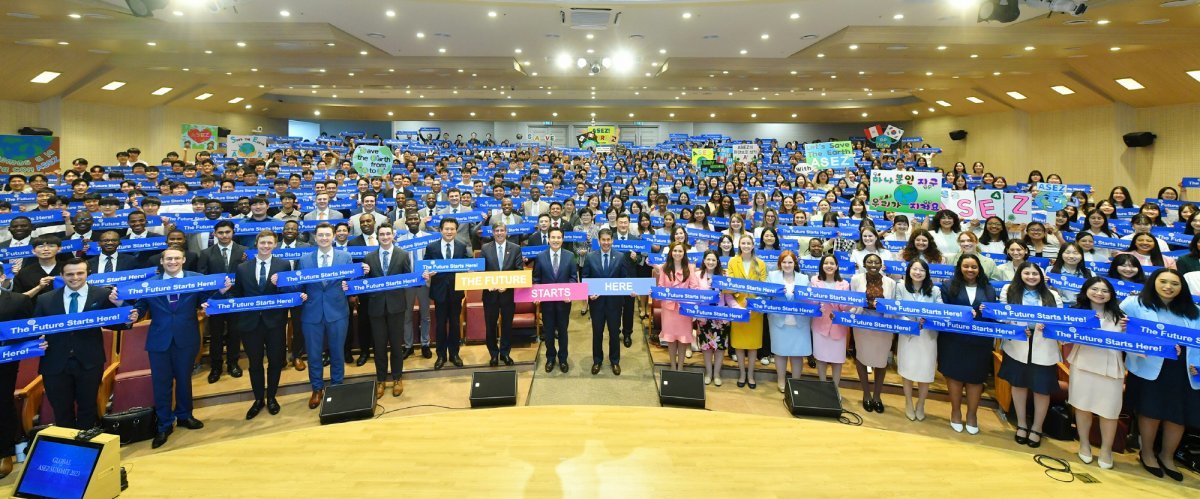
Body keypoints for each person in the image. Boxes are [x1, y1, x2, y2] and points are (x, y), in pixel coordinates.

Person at [121, 246, 213, 449]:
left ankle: (185, 416)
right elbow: (141, 306)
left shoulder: (195, 279)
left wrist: (210, 303)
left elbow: (205, 301)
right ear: (161, 262)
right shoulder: (149, 284)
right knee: (161, 384)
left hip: (186, 338)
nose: (173, 262)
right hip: (159, 340)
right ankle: (164, 424)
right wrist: (135, 312)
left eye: (177, 258)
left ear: (184, 260)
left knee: (184, 380)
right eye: (169, 259)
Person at [1119, 268, 1200, 482]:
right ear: (1153, 282)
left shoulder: (1195, 311)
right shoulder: (1134, 304)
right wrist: (1124, 328)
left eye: (1174, 283)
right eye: (1163, 281)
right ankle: (1146, 454)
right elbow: (1115, 327)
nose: (1168, 287)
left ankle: (1167, 457)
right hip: (1150, 365)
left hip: (1184, 369)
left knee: (1178, 415)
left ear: (1182, 288)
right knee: (1150, 410)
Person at [36, 257, 131, 430]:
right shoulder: (45, 299)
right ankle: (67, 449)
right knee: (61, 410)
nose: (75, 277)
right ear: (62, 275)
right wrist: (37, 341)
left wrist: (121, 307)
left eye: (80, 273)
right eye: (70, 274)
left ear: (88, 273)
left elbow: (120, 323)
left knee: (87, 408)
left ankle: (85, 445)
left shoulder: (102, 295)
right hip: (54, 364)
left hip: (89, 362)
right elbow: (35, 329)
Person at [216, 231, 293, 419]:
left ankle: (272, 397)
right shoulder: (243, 268)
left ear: (275, 244)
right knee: (255, 364)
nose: (266, 246)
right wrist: (224, 293)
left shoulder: (283, 265)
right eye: (262, 242)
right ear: (256, 244)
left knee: (275, 362)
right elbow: (239, 294)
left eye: (270, 243)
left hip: (274, 322)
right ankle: (258, 399)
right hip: (250, 324)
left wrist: (282, 285)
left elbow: (289, 291)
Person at [994, 261, 1063, 448]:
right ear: (1020, 274)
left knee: (1042, 389)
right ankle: (1022, 424)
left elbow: (1060, 320)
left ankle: (1037, 427)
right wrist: (1017, 323)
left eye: (1035, 273)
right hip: (1018, 344)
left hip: (1044, 346)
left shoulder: (1053, 295)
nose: (1031, 277)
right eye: (1027, 273)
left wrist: (1047, 325)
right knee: (1019, 385)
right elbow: (1002, 315)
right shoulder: (1009, 290)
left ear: (1041, 276)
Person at [1067, 277, 1126, 470]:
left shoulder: (1121, 317)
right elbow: (1061, 335)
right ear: (1086, 290)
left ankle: (1106, 450)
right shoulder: (1076, 313)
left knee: (1109, 411)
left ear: (1111, 295)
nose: (1099, 293)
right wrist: (1046, 328)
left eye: (1105, 290)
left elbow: (1135, 344)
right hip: (1083, 363)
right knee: (1082, 406)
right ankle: (1084, 444)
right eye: (1095, 289)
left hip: (1111, 367)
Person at [938, 254, 999, 434]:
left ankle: (972, 415)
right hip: (953, 340)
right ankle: (955, 412)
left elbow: (994, 315)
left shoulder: (988, 289)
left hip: (980, 342)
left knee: (976, 378)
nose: (970, 270)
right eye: (966, 266)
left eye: (974, 267)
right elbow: (943, 313)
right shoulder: (948, 286)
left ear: (979, 269)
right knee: (954, 377)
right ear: (959, 267)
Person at [296, 223, 354, 410]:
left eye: (327, 235)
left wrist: (352, 284)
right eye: (320, 235)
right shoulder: (304, 259)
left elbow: (352, 281)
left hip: (337, 312)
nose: (324, 238)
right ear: (315, 237)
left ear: (334, 236)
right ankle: (317, 388)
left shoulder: (345, 257)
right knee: (313, 355)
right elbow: (298, 285)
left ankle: (336, 386)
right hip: (312, 313)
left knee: (337, 352)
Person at [359, 223, 411, 398]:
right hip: (376, 308)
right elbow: (364, 283)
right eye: (382, 234)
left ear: (393, 235)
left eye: (388, 234)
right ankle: (381, 379)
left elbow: (408, 279)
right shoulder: (369, 257)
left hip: (397, 306)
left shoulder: (403, 255)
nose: (385, 237)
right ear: (377, 236)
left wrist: (423, 277)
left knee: (396, 345)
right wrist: (363, 273)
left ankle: (397, 378)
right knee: (379, 346)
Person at [196, 220, 247, 383]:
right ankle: (216, 366)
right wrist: (208, 299)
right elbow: (202, 279)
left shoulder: (244, 251)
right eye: (221, 233)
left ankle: (233, 363)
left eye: (227, 232)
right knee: (216, 335)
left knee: (235, 334)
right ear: (215, 234)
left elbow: (247, 276)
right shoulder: (205, 253)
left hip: (236, 299)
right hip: (215, 300)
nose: (224, 235)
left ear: (233, 232)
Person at [894, 260, 941, 421]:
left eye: (922, 270)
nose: (918, 272)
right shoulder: (900, 287)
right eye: (914, 269)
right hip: (908, 335)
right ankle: (908, 402)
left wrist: (927, 319)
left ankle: (921, 404)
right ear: (909, 271)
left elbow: (940, 310)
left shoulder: (934, 290)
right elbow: (896, 310)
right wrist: (910, 322)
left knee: (925, 372)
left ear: (927, 273)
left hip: (928, 336)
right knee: (907, 371)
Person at [849, 253, 896, 413]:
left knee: (881, 360)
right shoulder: (856, 279)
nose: (873, 264)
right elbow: (853, 302)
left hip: (884, 324)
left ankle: (877, 396)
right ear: (864, 263)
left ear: (881, 264)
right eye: (869, 261)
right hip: (863, 322)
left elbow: (893, 305)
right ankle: (866, 394)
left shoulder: (890, 282)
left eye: (876, 262)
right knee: (862, 356)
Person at [582, 228, 631, 375]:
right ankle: (597, 361)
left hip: (615, 304)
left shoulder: (620, 256)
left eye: (608, 240)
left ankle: (615, 361)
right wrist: (589, 293)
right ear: (599, 241)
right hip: (596, 304)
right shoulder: (590, 257)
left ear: (612, 241)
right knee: (597, 333)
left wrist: (632, 288)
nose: (606, 243)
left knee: (614, 333)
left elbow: (625, 279)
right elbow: (585, 279)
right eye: (603, 240)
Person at [423, 218, 470, 370]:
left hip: (456, 292)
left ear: (456, 230)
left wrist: (469, 269)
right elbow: (425, 266)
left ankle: (455, 354)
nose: (449, 232)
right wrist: (428, 273)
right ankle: (441, 355)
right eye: (446, 229)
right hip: (439, 292)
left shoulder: (462, 246)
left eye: (452, 229)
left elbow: (468, 265)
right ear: (441, 230)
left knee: (455, 324)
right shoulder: (431, 247)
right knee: (441, 325)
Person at [766, 251, 813, 393]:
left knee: (797, 353)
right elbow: (765, 295)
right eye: (784, 262)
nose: (787, 265)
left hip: (799, 322)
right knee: (780, 352)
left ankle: (795, 381)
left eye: (790, 262)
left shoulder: (804, 278)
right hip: (778, 321)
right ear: (780, 264)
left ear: (795, 263)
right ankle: (781, 380)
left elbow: (809, 299)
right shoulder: (772, 276)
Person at [533, 227, 578, 373]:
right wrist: (537, 294)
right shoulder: (540, 256)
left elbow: (573, 277)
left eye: (559, 237)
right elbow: (537, 278)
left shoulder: (570, 256)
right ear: (548, 239)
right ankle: (550, 358)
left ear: (563, 239)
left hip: (564, 302)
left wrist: (569, 292)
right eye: (553, 237)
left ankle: (563, 358)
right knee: (549, 331)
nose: (556, 240)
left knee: (563, 331)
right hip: (547, 303)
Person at [0, 284, 34, 477]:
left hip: (4, 364)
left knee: (2, 405)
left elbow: (29, 331)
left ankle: (5, 452)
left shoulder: (18, 301)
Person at [727, 234, 767, 389]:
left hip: (755, 311)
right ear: (739, 245)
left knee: (753, 345)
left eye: (748, 243)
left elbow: (763, 287)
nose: (745, 245)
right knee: (738, 344)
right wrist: (738, 302)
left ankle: (750, 375)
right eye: (743, 243)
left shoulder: (760, 264)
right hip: (738, 309)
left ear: (753, 245)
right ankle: (742, 373)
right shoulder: (732, 262)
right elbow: (729, 284)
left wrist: (752, 303)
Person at [656, 241, 699, 372]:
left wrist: (688, 302)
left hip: (684, 309)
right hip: (669, 309)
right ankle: (673, 366)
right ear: (670, 252)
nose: (677, 253)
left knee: (683, 339)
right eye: (675, 251)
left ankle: (680, 367)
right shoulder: (664, 268)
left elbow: (694, 288)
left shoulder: (690, 268)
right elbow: (661, 287)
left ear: (684, 253)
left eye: (680, 251)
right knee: (670, 338)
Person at [810, 255, 851, 389]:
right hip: (820, 325)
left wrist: (834, 300)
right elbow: (812, 301)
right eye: (826, 263)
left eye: (832, 263)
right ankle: (822, 386)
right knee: (821, 358)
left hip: (838, 326)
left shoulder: (844, 284)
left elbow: (845, 306)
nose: (829, 265)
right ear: (822, 266)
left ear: (837, 266)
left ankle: (835, 389)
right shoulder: (815, 281)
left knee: (837, 360)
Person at [397, 210, 433, 359]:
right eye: (409, 219)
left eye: (415, 219)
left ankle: (425, 344)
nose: (412, 221)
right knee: (407, 316)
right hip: (407, 283)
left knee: (426, 315)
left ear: (420, 221)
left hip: (425, 281)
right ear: (406, 222)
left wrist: (430, 272)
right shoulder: (400, 241)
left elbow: (433, 260)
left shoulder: (429, 239)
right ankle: (408, 345)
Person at [695, 250, 732, 386]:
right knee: (706, 347)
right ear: (704, 261)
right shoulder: (697, 275)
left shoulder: (723, 276)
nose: (710, 262)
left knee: (720, 347)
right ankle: (708, 373)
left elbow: (728, 297)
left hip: (720, 318)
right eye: (708, 259)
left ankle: (716, 374)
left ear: (717, 262)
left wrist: (739, 309)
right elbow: (694, 296)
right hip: (704, 317)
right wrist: (697, 314)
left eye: (713, 260)